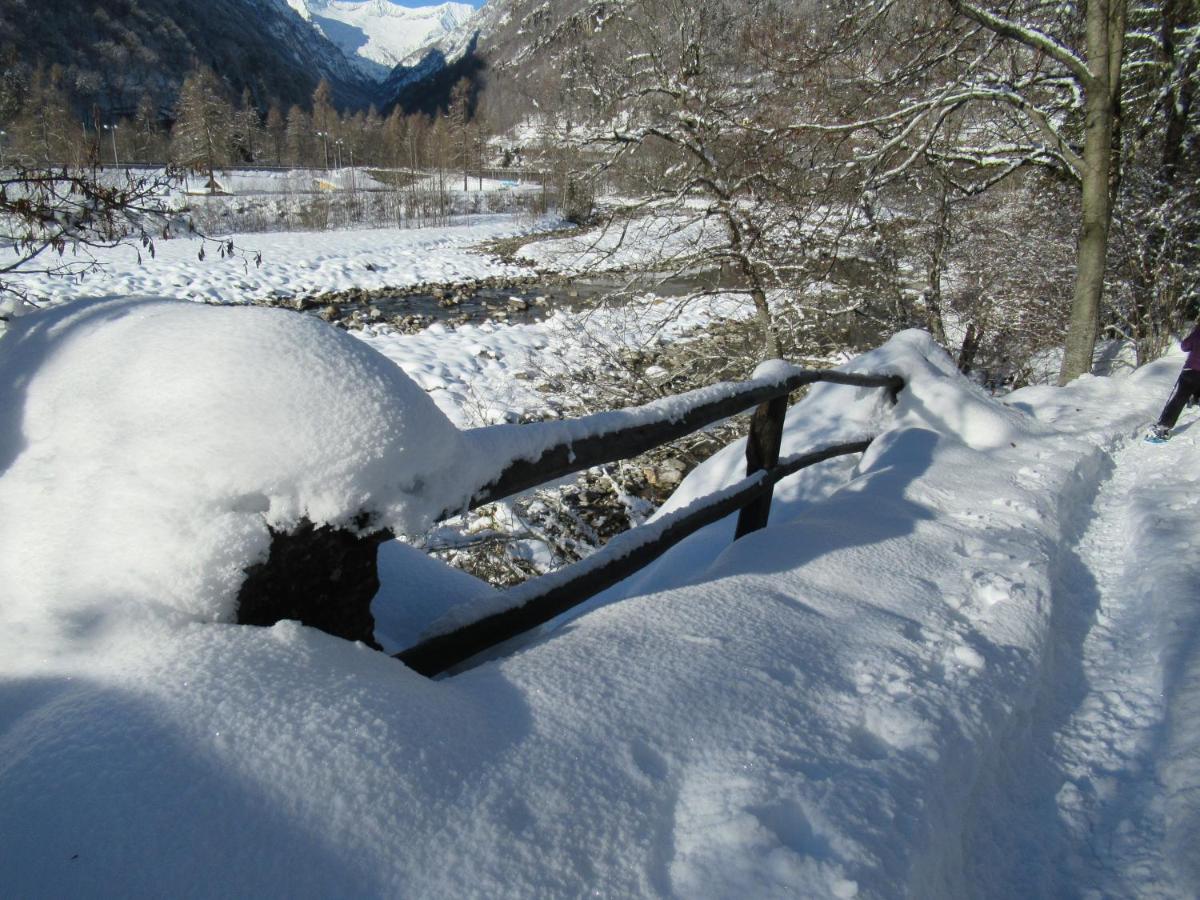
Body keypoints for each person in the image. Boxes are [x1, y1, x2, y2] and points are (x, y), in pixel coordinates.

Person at [1148, 320, 1200, 442]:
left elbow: (1184, 346)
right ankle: (1196, 399)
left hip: (1191, 370)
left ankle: (1163, 427)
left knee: (1179, 399)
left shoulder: (1197, 333)